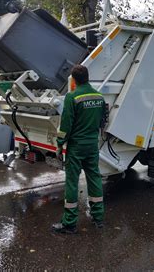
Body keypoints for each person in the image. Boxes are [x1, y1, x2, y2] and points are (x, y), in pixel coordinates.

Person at [52, 65, 106, 234]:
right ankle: (98, 218)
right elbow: (102, 121)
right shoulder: (99, 96)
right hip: (92, 145)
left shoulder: (72, 97)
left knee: (72, 182)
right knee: (94, 178)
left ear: (74, 80)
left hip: (76, 147)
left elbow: (66, 125)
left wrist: (60, 144)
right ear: (88, 77)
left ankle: (69, 223)